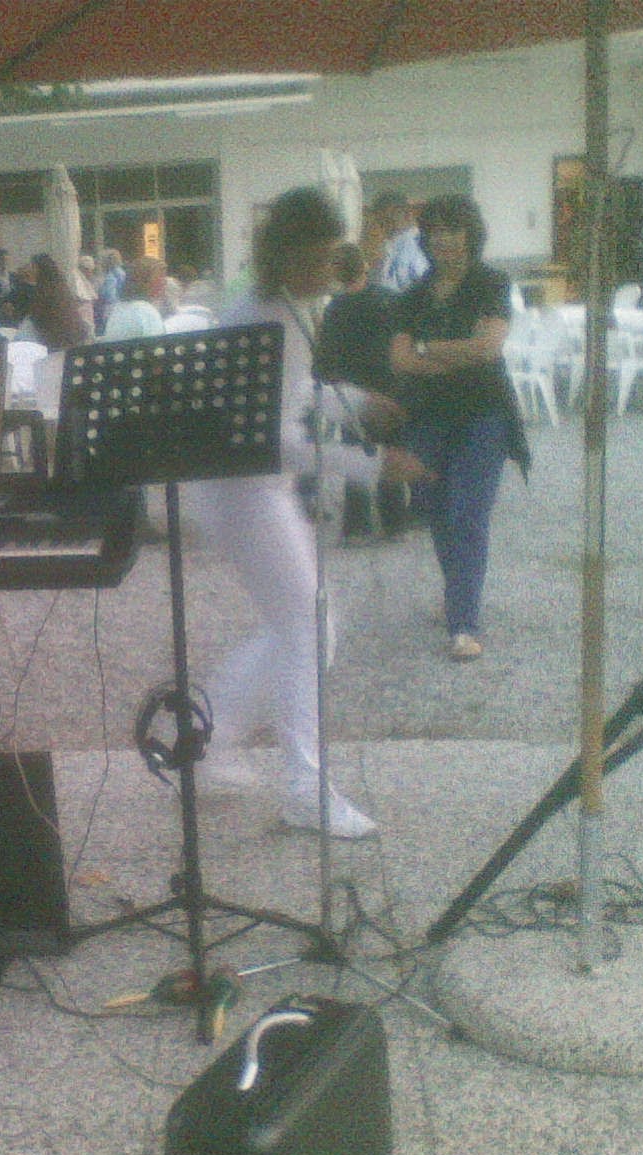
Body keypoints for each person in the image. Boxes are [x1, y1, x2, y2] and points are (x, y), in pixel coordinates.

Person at [187, 187, 429, 839]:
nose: (331, 270)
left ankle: (205, 739)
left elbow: (292, 396)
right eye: (322, 257)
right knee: (308, 626)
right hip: (241, 490)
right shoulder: (262, 318)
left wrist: (355, 400)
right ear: (289, 254)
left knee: (298, 625)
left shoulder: (282, 308)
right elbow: (268, 439)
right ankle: (302, 788)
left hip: (249, 488)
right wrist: (369, 464)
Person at [388, 194, 529, 662]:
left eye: (454, 229)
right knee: (436, 511)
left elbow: (489, 347)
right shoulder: (413, 295)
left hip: (484, 413)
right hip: (428, 415)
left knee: (468, 512)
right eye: (435, 230)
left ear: (471, 234)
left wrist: (428, 350)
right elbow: (399, 359)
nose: (444, 239)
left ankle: (463, 624)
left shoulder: (490, 283)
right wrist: (456, 352)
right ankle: (458, 594)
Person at [315, 241, 411, 540]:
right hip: (390, 386)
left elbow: (325, 358)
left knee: (356, 455)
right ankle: (394, 523)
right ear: (365, 267)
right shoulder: (389, 299)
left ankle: (357, 526)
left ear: (337, 273)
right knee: (391, 451)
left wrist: (327, 379)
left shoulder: (335, 309)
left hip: (354, 393)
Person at [18, 252, 93, 347]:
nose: (28, 270)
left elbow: (38, 318)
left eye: (32, 267)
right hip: (68, 339)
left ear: (39, 270)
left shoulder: (42, 293)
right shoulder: (60, 288)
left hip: (51, 341)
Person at [368, 192, 430, 293]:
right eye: (381, 222)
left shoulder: (418, 242)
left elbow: (423, 281)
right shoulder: (388, 245)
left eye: (388, 220)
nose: (385, 226)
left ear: (406, 213)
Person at [102, 256, 169, 340]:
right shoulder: (145, 311)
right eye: (160, 277)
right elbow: (157, 346)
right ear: (144, 282)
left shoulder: (119, 308)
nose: (165, 282)